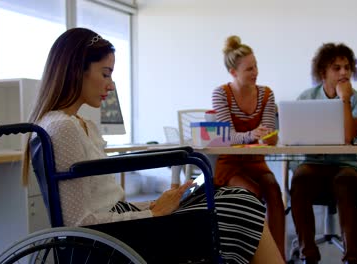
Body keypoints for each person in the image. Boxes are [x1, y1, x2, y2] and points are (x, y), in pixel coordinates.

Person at [21, 27, 284, 264]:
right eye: (105, 74)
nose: (110, 85)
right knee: (240, 205)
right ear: (77, 69)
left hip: (123, 224)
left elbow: (102, 202)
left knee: (233, 198)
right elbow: (78, 223)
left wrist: (149, 205)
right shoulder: (63, 128)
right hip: (115, 238)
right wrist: (154, 213)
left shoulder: (76, 123)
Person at [289, 43, 357, 264]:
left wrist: (344, 99)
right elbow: (295, 136)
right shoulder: (306, 97)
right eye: (336, 68)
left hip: (346, 165)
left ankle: (352, 256)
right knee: (300, 179)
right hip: (313, 163)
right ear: (323, 72)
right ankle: (308, 253)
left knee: (346, 182)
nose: (343, 72)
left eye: (347, 67)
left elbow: (348, 136)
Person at [212, 35, 286, 259]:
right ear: (233, 72)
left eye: (256, 67)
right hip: (230, 164)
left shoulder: (266, 94)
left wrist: (271, 136)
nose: (255, 73)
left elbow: (269, 132)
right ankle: (254, 256)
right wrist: (252, 135)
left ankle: (278, 256)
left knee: (273, 190)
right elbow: (226, 137)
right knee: (252, 193)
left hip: (256, 161)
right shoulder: (221, 94)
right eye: (249, 69)